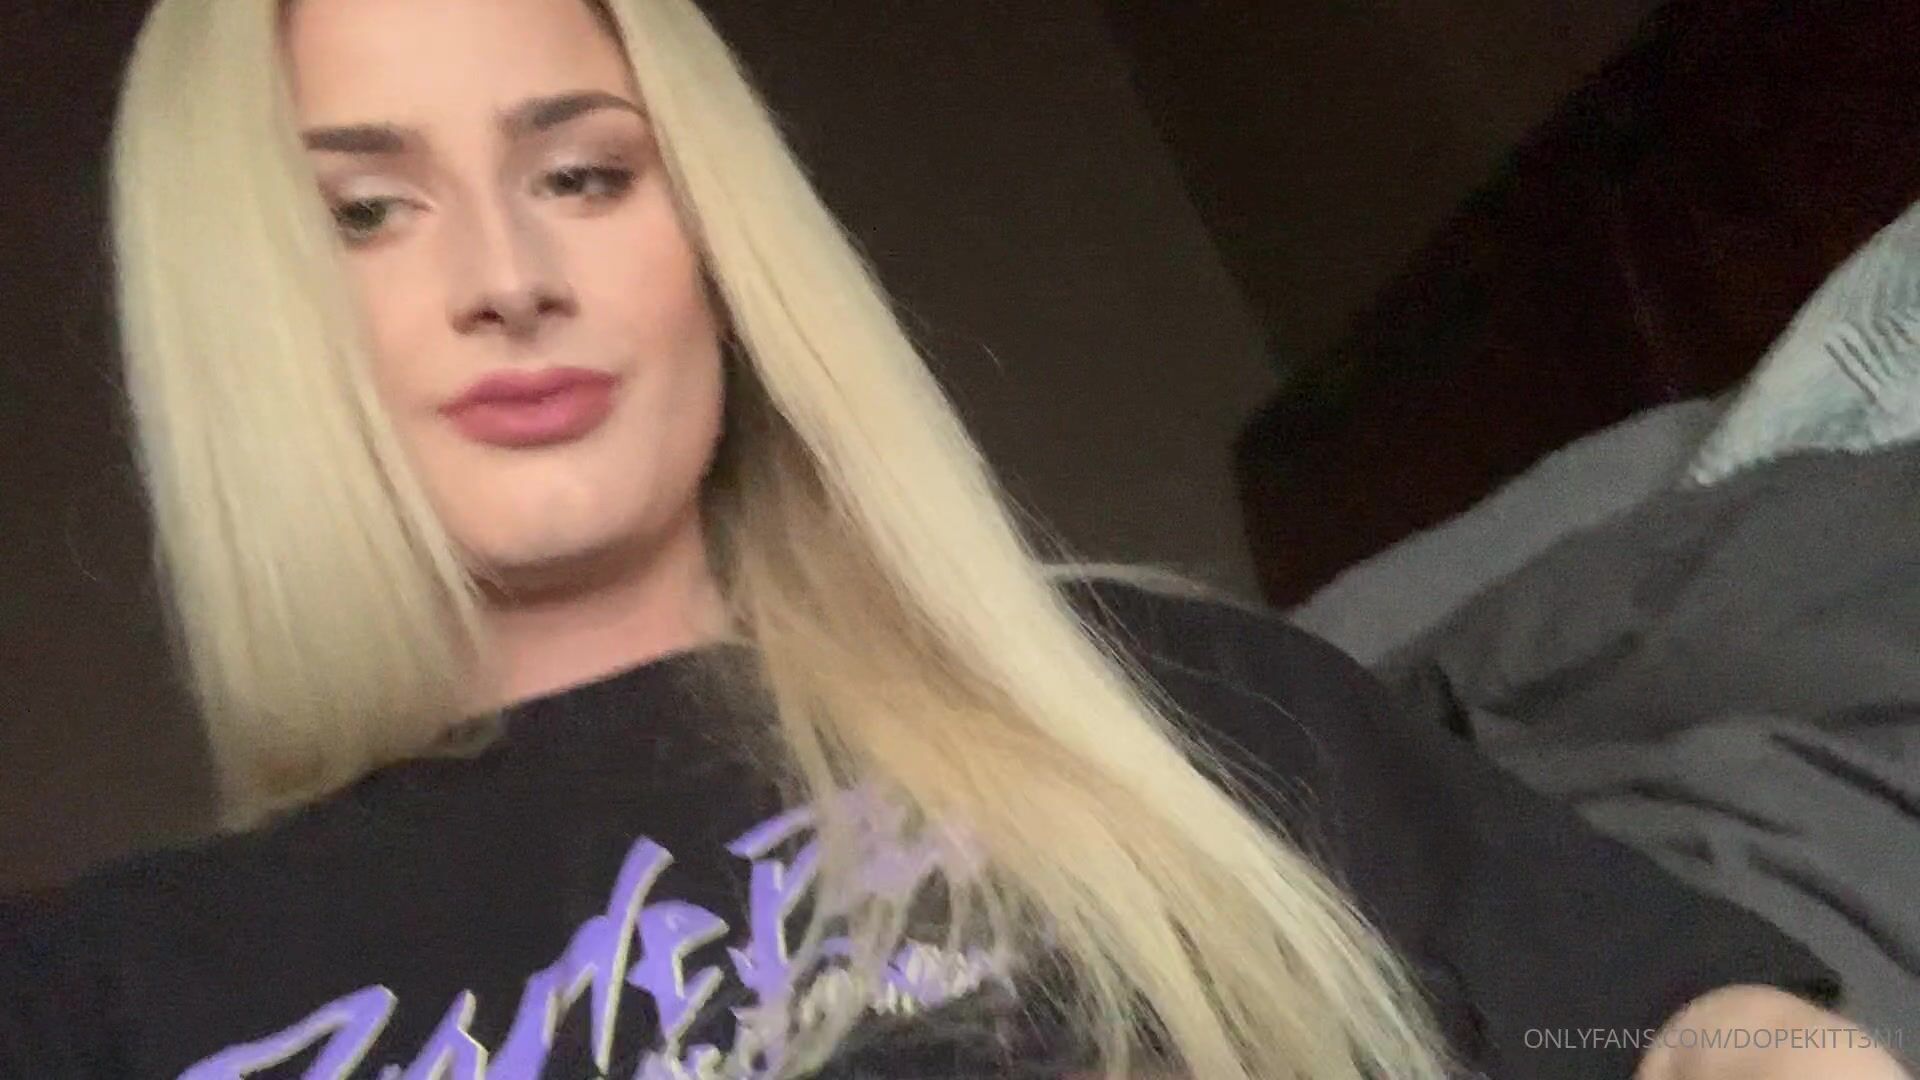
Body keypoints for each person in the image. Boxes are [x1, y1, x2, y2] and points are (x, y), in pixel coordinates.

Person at [0, 0, 1904, 1077]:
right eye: (364, 210)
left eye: (582, 173)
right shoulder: (103, 996)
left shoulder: (1148, 693)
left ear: (716, 243)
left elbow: (1693, 1021)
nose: (508, 275)